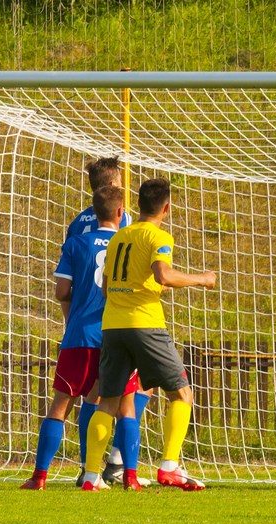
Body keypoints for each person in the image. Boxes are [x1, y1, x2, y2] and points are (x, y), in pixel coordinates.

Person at [80, 177, 216, 491]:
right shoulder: (158, 236)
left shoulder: (119, 237)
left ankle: (91, 476)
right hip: (145, 324)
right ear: (166, 208)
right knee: (182, 394)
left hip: (113, 326)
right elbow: (163, 275)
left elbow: (106, 288)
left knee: (107, 403)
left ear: (138, 205)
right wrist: (202, 279)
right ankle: (169, 467)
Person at [20, 185, 140, 490]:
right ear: (121, 212)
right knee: (124, 405)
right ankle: (129, 477)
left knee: (61, 404)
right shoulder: (129, 243)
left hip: (80, 336)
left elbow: (61, 291)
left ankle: (39, 476)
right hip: (117, 333)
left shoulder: (76, 243)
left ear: (93, 212)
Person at [69, 156, 153, 487]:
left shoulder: (77, 224)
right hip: (120, 317)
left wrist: (71, 320)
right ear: (114, 185)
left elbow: (66, 284)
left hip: (83, 323)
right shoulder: (124, 219)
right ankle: (118, 463)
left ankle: (88, 466)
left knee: (93, 394)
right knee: (137, 390)